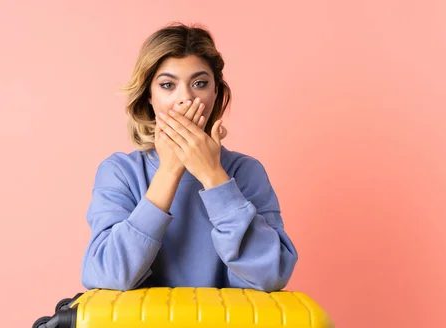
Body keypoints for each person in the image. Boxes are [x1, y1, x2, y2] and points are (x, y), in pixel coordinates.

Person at [81, 23, 297, 292]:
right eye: (168, 85)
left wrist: (213, 176)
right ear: (149, 95)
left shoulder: (246, 171)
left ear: (215, 91)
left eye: (199, 83)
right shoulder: (119, 172)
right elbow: (107, 275)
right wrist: (170, 171)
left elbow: (271, 274)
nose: (185, 98)